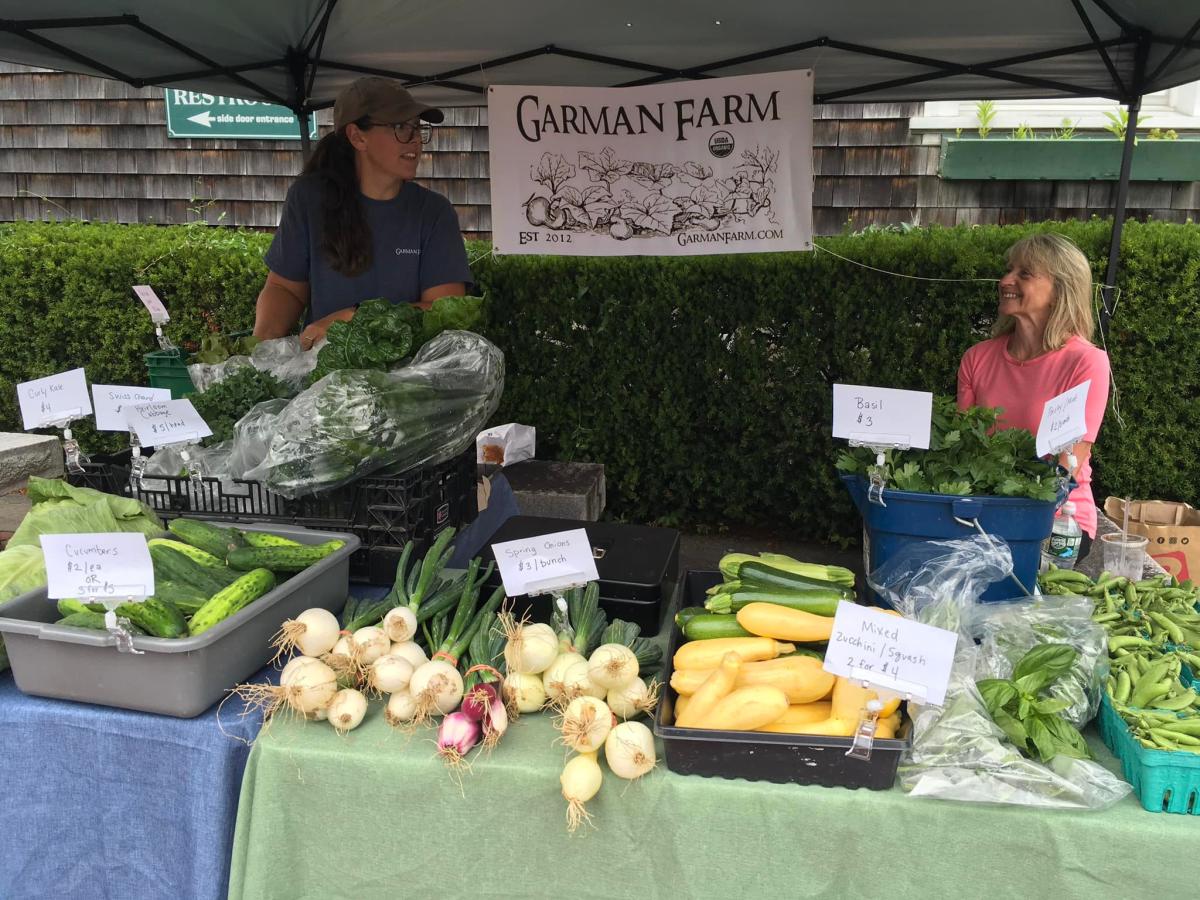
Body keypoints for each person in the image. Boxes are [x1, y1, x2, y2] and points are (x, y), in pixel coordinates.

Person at [254, 77, 473, 349]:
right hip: (324, 379)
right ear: (357, 136)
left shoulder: (434, 213)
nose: (415, 140)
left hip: (407, 381)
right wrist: (260, 347)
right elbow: (285, 289)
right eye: (400, 127)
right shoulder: (309, 199)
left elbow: (444, 312)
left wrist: (354, 319)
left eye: (417, 128)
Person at [957, 232, 1111, 556]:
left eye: (1024, 274)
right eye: (1009, 270)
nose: (1005, 280)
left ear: (1059, 292)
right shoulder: (977, 358)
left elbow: (1066, 467)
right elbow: (962, 448)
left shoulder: (1085, 362)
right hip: (983, 514)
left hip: (1058, 523)